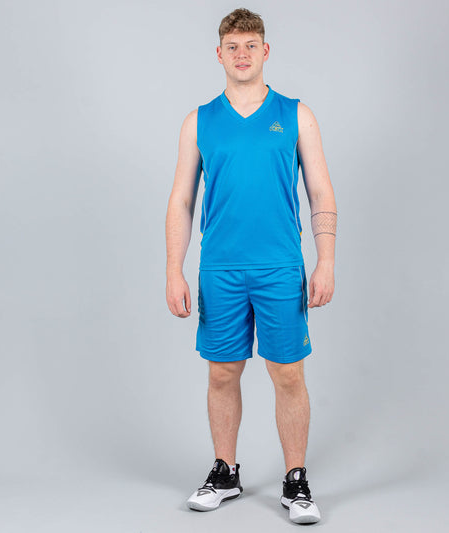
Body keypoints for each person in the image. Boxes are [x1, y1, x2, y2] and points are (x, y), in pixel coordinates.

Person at [165, 7, 336, 525]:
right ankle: (225, 472)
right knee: (222, 373)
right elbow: (181, 201)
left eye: (251, 45)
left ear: (266, 51)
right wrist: (174, 269)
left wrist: (325, 260)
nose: (242, 54)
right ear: (219, 54)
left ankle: (296, 480)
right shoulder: (198, 120)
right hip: (220, 268)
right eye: (233, 47)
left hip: (280, 266)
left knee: (288, 373)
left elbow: (321, 192)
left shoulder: (296, 114)